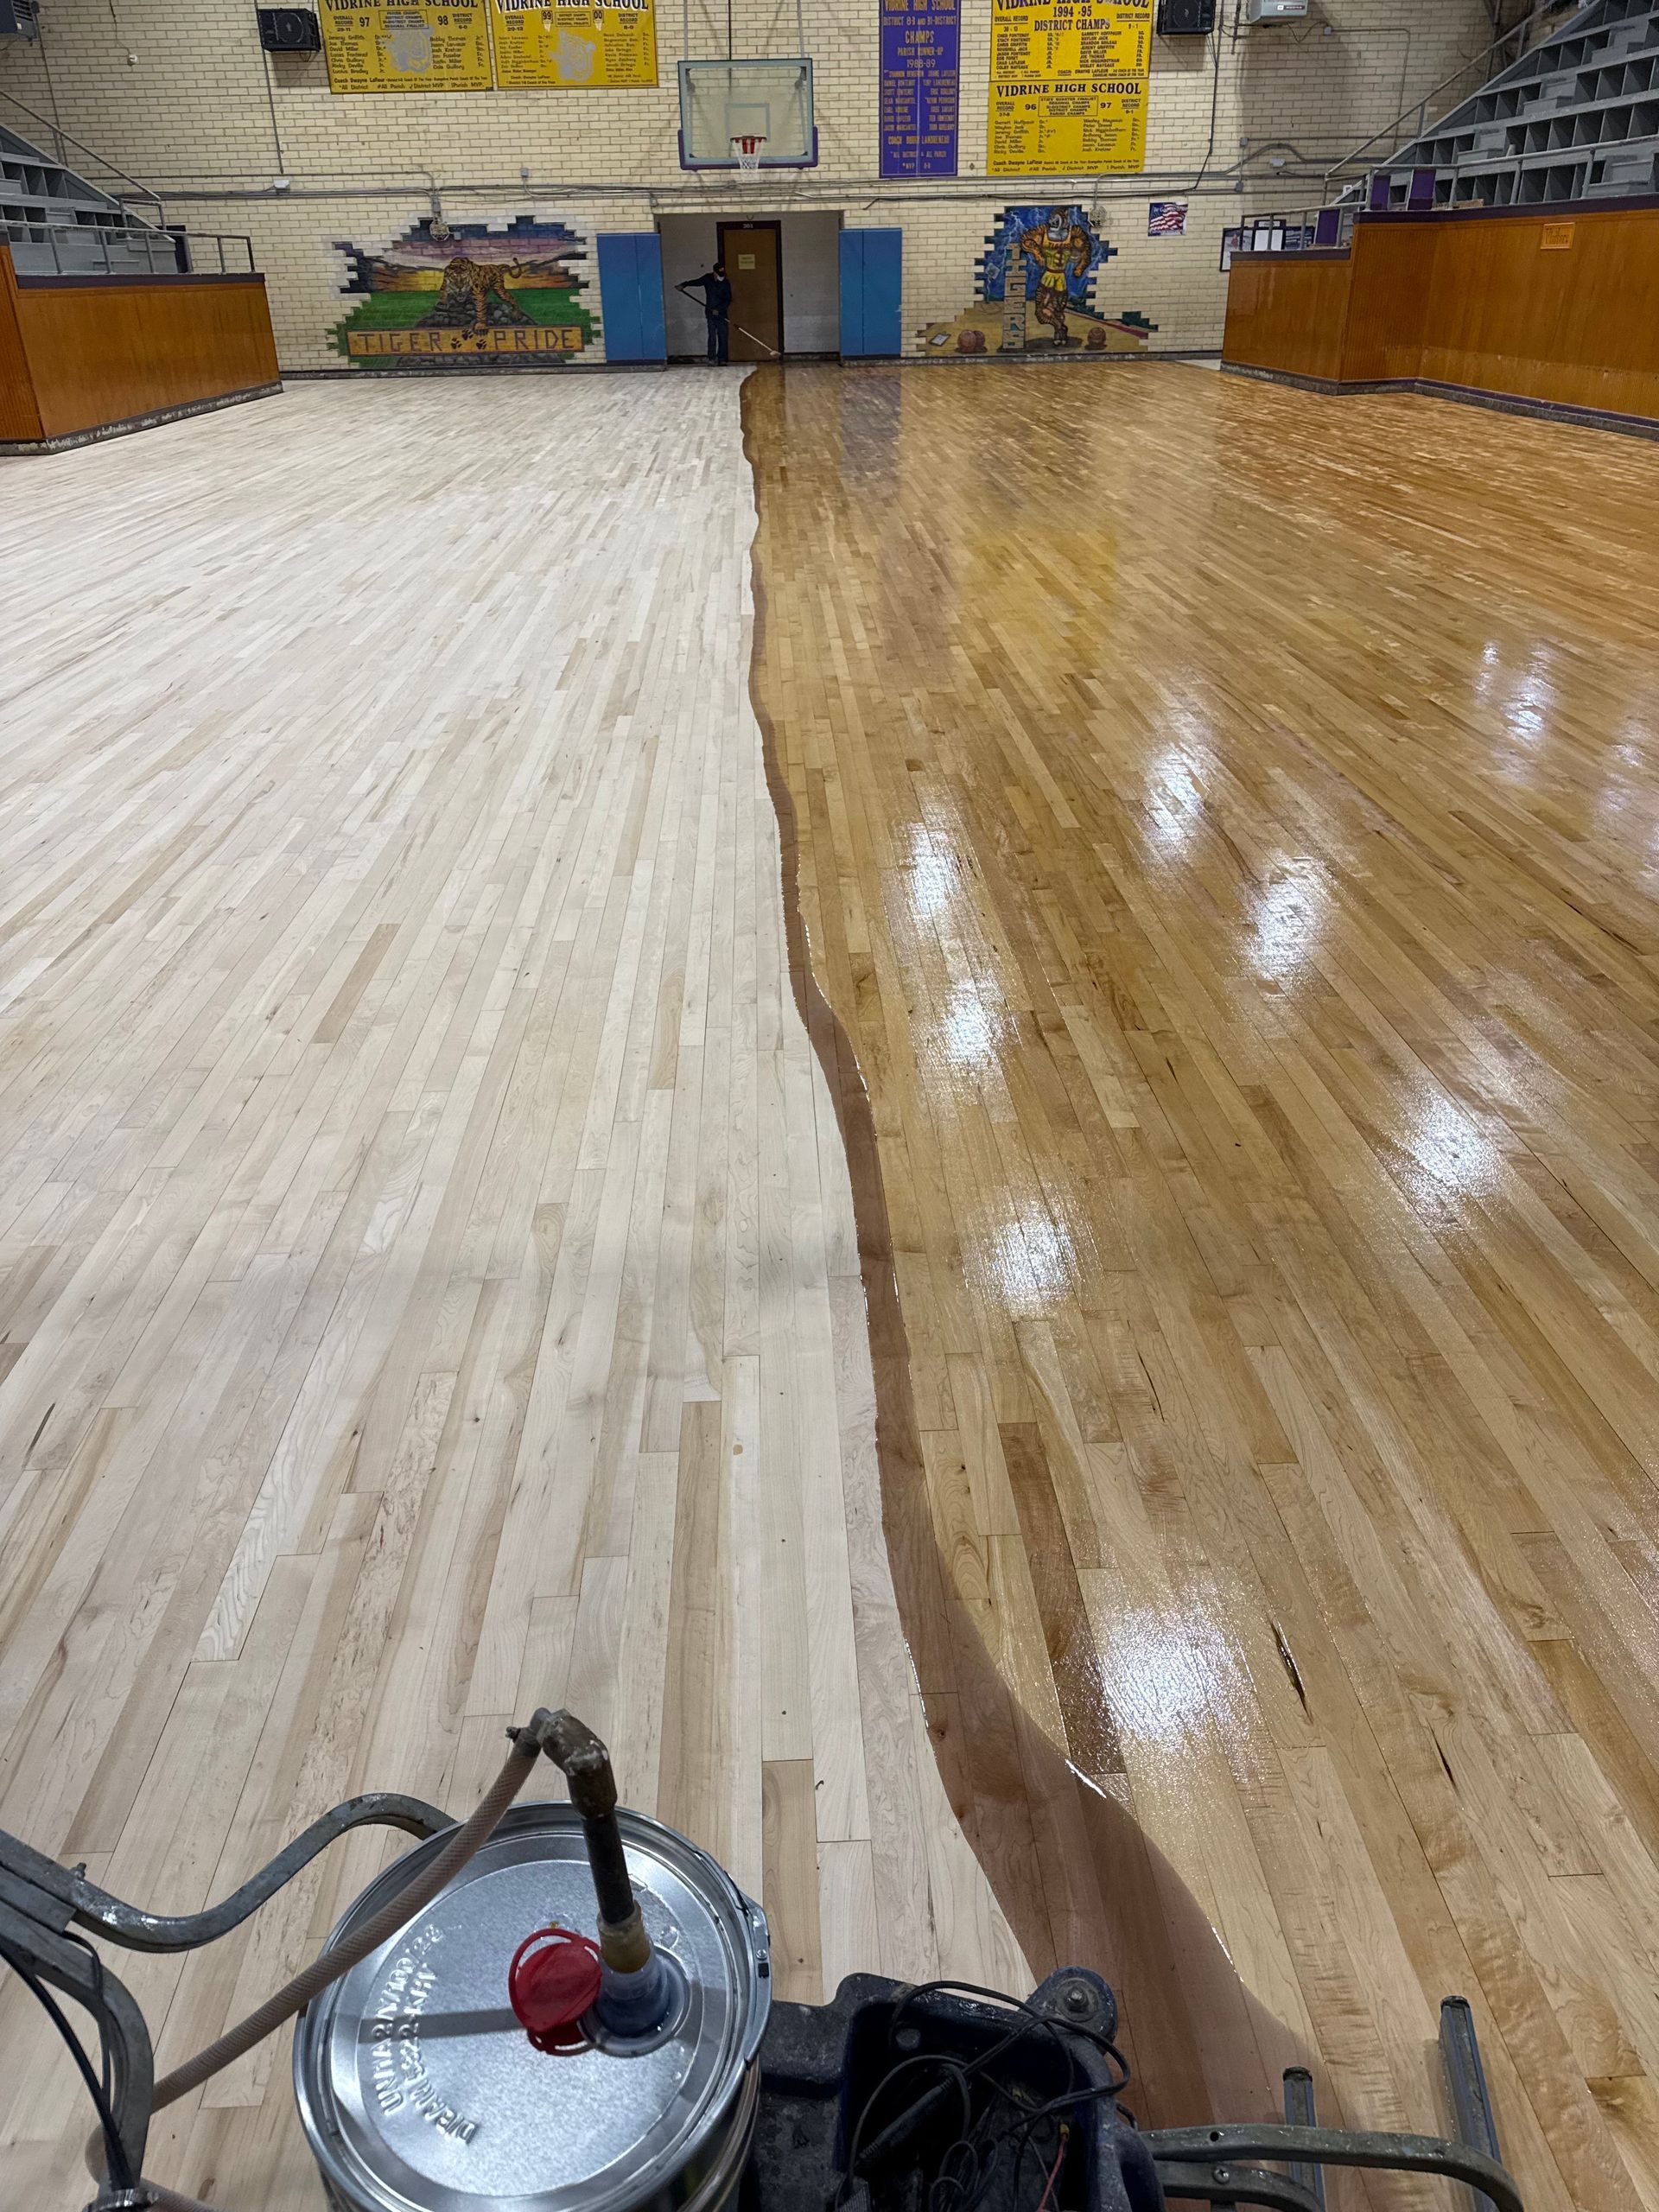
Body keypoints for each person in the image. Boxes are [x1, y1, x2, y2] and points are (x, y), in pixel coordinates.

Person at [685, 260, 733, 365]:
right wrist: (684, 285)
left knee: (723, 335)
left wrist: (719, 310)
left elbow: (728, 299)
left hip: (722, 314)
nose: (721, 276)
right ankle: (711, 358)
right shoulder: (707, 279)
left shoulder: (725, 283)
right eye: (719, 274)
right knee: (712, 336)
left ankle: (722, 359)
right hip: (710, 313)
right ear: (714, 272)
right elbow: (696, 282)